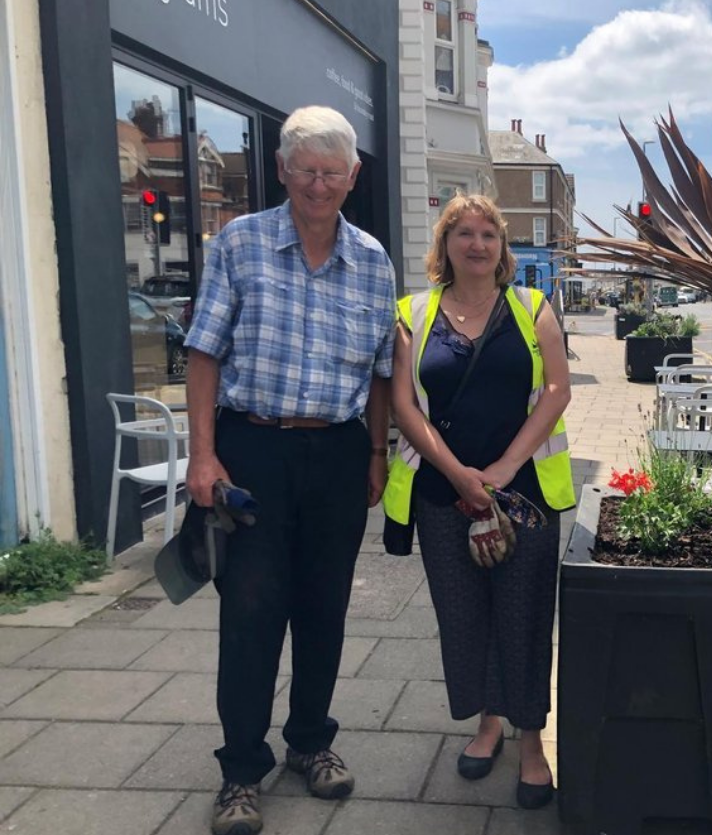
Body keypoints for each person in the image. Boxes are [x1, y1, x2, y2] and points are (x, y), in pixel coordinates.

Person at [184, 105, 397, 835]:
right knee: (249, 610)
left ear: (352, 177)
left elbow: (378, 373)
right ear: (281, 170)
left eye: (332, 172)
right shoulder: (239, 245)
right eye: (305, 169)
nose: (318, 184)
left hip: (337, 452)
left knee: (323, 606)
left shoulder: (372, 259)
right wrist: (203, 452)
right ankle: (241, 770)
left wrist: (374, 453)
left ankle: (311, 741)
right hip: (254, 449)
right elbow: (204, 352)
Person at [385, 193, 574, 810]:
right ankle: (486, 724)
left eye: (488, 234)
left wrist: (503, 466)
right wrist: (458, 473)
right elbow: (404, 405)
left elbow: (556, 388)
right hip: (443, 495)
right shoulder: (413, 311)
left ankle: (530, 742)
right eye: (463, 234)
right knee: (464, 618)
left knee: (522, 619)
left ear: (502, 248)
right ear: (445, 246)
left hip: (523, 496)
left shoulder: (531, 306)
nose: (477, 244)